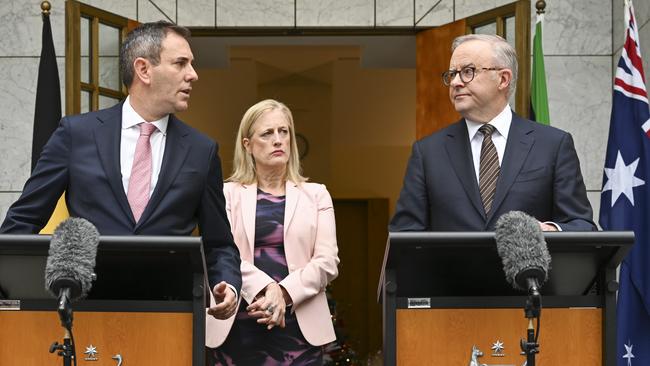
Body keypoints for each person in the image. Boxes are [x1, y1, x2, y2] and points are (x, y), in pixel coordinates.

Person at [0, 21, 240, 319]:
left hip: (169, 318)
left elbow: (220, 244)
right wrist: (11, 296)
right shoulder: (76, 134)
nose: (193, 74)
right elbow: (22, 222)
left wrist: (227, 285)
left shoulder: (202, 151)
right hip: (85, 312)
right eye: (181, 63)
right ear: (143, 69)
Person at [390, 34, 596, 232]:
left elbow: (581, 225)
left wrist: (549, 231)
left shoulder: (553, 145)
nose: (455, 82)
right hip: (453, 269)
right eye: (452, 74)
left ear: (503, 79)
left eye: (468, 71)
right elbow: (405, 233)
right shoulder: (428, 152)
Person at [205, 99, 340, 365]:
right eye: (267, 133)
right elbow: (220, 253)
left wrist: (285, 292)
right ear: (248, 145)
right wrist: (267, 287)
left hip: (299, 330)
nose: (278, 140)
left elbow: (327, 262)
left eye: (284, 131)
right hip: (238, 328)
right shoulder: (226, 194)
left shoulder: (316, 194)